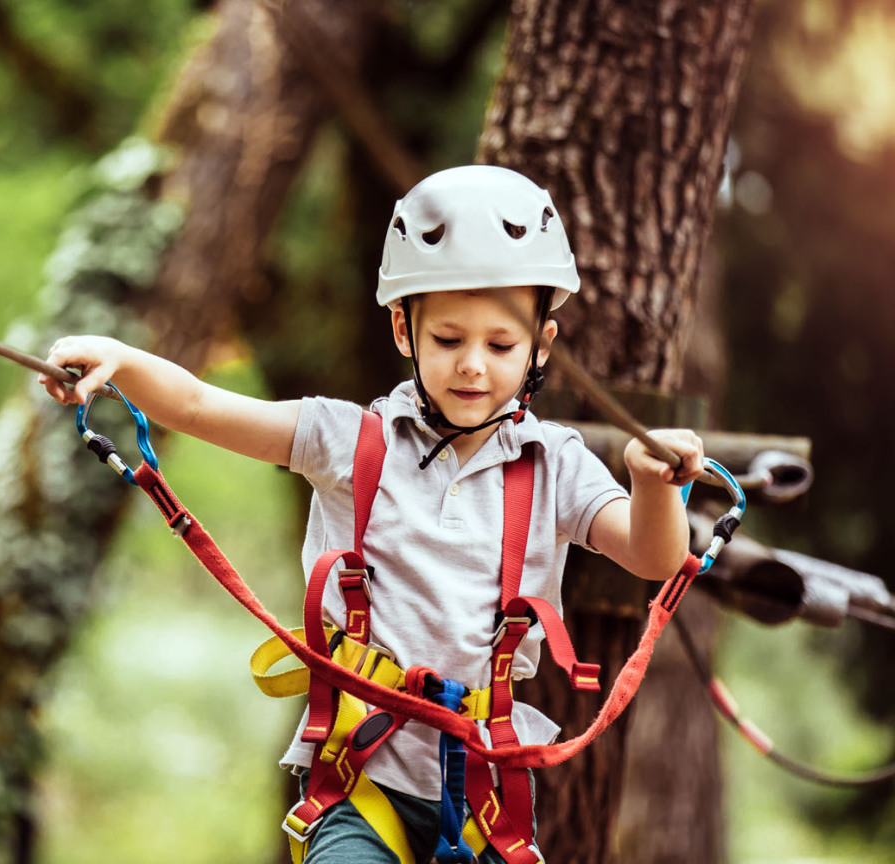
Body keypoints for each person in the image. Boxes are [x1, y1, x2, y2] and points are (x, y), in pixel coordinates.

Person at [38, 165, 704, 864]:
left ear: (541, 345)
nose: (473, 366)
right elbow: (204, 408)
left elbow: (652, 557)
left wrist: (652, 485)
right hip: (363, 783)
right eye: (448, 340)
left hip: (484, 794)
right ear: (403, 329)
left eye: (501, 346)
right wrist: (122, 359)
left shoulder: (553, 463)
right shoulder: (346, 440)